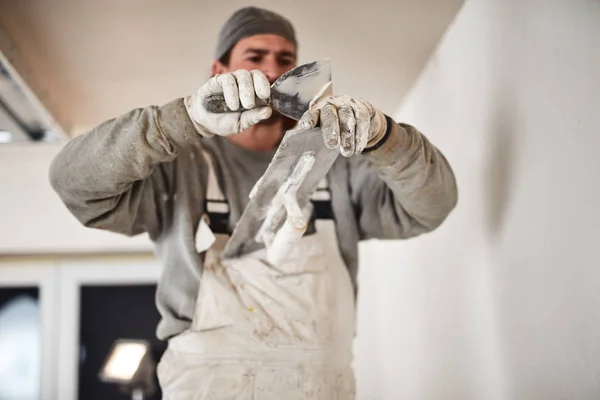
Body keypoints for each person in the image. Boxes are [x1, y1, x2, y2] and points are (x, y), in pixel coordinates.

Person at [49, 6, 458, 399]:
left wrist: (389, 138)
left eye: (286, 59)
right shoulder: (182, 168)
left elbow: (432, 206)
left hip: (323, 383)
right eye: (255, 57)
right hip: (210, 382)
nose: (273, 71)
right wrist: (186, 118)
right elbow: (72, 181)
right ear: (219, 71)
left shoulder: (336, 163)